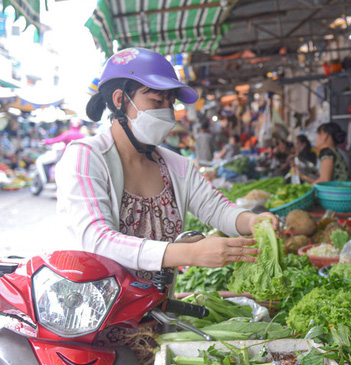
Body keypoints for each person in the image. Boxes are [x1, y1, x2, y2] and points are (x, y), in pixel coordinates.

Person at [56, 47, 279, 281]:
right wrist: (188, 253)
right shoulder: (87, 157)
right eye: (156, 100)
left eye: (170, 103)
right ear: (121, 100)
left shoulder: (176, 165)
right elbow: (98, 240)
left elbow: (218, 209)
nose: (167, 112)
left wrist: (253, 220)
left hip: (156, 310)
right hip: (95, 310)